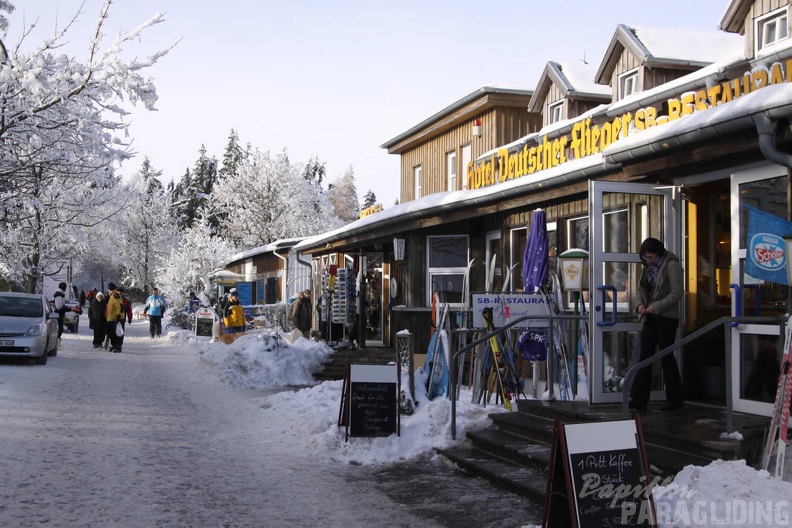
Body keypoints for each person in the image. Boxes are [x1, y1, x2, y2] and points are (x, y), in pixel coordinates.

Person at [630, 238, 685, 412]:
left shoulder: (671, 264)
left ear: (658, 253)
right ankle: (639, 398)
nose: (648, 260)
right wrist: (640, 304)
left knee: (666, 354)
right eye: (645, 257)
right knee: (645, 354)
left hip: (667, 316)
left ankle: (674, 398)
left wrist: (656, 307)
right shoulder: (647, 267)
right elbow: (640, 288)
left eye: (651, 257)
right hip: (650, 315)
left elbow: (676, 293)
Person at [105, 283, 125, 353]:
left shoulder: (115, 295)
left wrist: (118, 315)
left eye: (109, 289)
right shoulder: (112, 296)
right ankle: (114, 346)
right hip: (111, 318)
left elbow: (119, 306)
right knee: (112, 334)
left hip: (115, 318)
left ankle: (117, 347)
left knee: (117, 334)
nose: (108, 291)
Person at [52, 281, 68, 350]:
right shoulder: (59, 294)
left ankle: (58, 344)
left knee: (60, 329)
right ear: (64, 288)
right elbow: (58, 306)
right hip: (58, 314)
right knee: (59, 329)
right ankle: (57, 345)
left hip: (59, 314)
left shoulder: (60, 294)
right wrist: (65, 308)